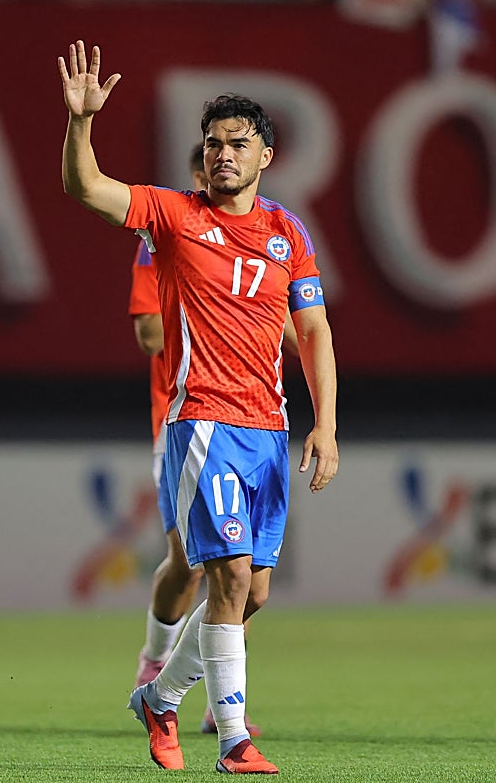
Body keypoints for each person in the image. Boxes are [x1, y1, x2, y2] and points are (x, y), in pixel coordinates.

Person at [59, 40, 338, 774]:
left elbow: (312, 330)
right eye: (213, 144)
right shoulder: (173, 218)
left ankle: (160, 696)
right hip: (202, 423)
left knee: (254, 594)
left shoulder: (288, 234)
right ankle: (237, 738)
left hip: (269, 429)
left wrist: (327, 425)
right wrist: (81, 124)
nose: (222, 155)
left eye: (237, 145)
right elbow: (84, 187)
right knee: (228, 575)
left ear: (265, 156)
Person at [131, 143, 302, 740]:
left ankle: (193, 697)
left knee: (242, 574)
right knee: (194, 564)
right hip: (185, 419)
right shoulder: (167, 236)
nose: (215, 172)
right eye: (208, 161)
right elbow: (151, 333)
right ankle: (158, 664)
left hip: (255, 423)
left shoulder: (270, 236)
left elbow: (289, 324)